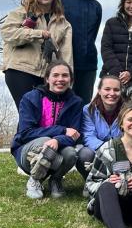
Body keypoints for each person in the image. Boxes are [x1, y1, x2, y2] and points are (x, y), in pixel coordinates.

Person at [10, 60, 82, 199]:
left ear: (71, 80)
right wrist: (61, 130)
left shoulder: (76, 102)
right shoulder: (30, 98)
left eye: (65, 76)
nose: (60, 79)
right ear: (47, 78)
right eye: (55, 75)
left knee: (71, 153)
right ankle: (35, 180)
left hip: (58, 149)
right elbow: (25, 133)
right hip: (28, 151)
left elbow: (74, 134)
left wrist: (57, 140)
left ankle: (55, 179)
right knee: (44, 141)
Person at [1, 0, 73, 109]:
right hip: (20, 70)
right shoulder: (21, 12)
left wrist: (68, 78)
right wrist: (38, 34)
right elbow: (7, 33)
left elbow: (66, 55)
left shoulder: (63, 23)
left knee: (43, 116)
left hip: (47, 75)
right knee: (28, 112)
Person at [60, 0, 103, 106]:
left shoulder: (96, 6)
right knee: (63, 104)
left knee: (83, 105)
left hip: (88, 64)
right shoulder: (60, 0)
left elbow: (93, 34)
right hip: (65, 61)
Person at [77, 76, 124, 181]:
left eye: (116, 90)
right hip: (97, 152)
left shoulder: (127, 110)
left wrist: (116, 150)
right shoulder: (88, 110)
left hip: (120, 152)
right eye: (107, 89)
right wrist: (107, 149)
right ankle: (90, 180)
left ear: (121, 92)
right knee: (85, 154)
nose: (112, 93)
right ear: (99, 91)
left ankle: (118, 179)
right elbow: (88, 136)